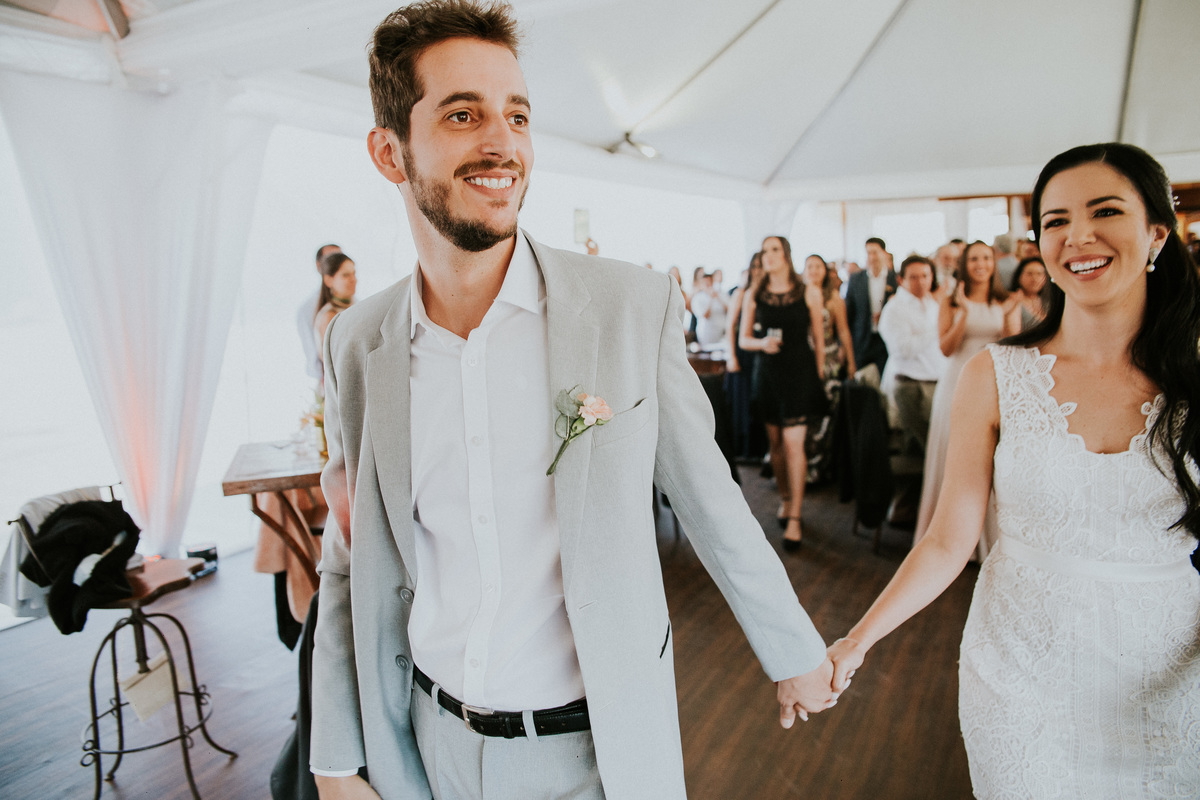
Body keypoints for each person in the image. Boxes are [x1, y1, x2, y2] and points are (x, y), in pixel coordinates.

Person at [309, 5, 837, 799]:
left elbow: (710, 502)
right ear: (390, 152)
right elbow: (349, 562)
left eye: (516, 115)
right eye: (463, 114)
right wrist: (335, 758)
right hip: (424, 752)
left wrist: (793, 650)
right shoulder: (358, 342)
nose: (502, 143)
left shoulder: (629, 307)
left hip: (596, 758)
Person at [827, 142, 1200, 799]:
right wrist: (857, 641)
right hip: (1021, 674)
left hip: (1169, 675)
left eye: (1104, 211)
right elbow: (948, 539)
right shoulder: (996, 375)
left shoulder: (1194, 376)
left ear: (1156, 235)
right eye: (1054, 221)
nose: (1076, 235)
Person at [913, 240, 1019, 559]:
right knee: (955, 453)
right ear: (964, 265)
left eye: (986, 258)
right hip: (958, 379)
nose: (981, 264)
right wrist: (963, 314)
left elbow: (1012, 347)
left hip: (995, 381)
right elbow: (945, 348)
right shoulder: (951, 300)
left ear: (993, 263)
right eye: (974, 258)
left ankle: (991, 537)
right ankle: (951, 538)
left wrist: (1008, 316)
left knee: (994, 457)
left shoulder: (1005, 301)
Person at [739, 236, 828, 551]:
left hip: (800, 372)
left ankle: (796, 518)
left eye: (775, 249)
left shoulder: (809, 291)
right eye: (765, 251)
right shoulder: (755, 293)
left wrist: (818, 375)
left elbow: (817, 336)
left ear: (787, 255)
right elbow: (744, 339)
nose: (769, 255)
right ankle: (787, 498)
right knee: (775, 444)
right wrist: (762, 343)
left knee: (794, 444)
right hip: (769, 374)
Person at [878, 256, 946, 525]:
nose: (922, 282)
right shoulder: (894, 309)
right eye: (915, 277)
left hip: (935, 381)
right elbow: (903, 349)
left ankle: (909, 509)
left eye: (926, 276)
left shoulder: (931, 303)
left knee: (922, 449)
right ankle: (908, 510)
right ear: (901, 280)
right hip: (910, 385)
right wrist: (938, 328)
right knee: (925, 448)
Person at [801, 254, 854, 483]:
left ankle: (819, 467)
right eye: (809, 266)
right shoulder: (797, 295)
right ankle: (800, 466)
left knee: (824, 414)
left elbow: (843, 331)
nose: (813, 270)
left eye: (818, 266)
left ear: (825, 271)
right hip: (802, 360)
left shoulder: (832, 297)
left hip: (828, 360)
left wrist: (851, 362)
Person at [844, 236, 898, 377]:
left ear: (884, 253)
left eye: (875, 252)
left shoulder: (895, 279)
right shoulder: (856, 279)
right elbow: (849, 312)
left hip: (886, 341)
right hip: (862, 340)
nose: (872, 257)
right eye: (868, 253)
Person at [299, 243, 341, 382]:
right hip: (326, 381)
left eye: (339, 258)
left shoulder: (356, 303)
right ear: (318, 266)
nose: (336, 263)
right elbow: (311, 352)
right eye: (330, 258)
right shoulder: (307, 310)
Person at [312, 252, 357, 380]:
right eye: (345, 275)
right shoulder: (329, 316)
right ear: (328, 280)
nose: (353, 279)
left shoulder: (356, 308)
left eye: (354, 273)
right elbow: (338, 361)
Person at [690, 270, 728, 348]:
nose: (708, 285)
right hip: (706, 335)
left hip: (722, 334)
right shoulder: (698, 298)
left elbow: (729, 310)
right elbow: (705, 315)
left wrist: (717, 297)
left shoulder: (722, 294)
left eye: (709, 282)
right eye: (705, 283)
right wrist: (711, 299)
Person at [1010, 255, 1048, 330]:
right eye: (1029, 274)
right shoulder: (1013, 301)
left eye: (1039, 274)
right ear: (1019, 276)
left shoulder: (1049, 301)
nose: (1035, 279)